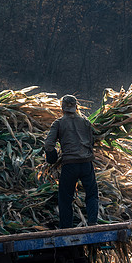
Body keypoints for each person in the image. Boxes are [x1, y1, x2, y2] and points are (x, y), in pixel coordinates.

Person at [44, 95, 98, 228]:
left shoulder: (58, 123)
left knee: (65, 198)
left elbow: (48, 144)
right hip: (86, 164)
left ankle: (66, 227)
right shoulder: (86, 122)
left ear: (62, 107)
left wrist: (52, 158)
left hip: (70, 165)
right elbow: (92, 141)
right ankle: (92, 222)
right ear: (76, 107)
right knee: (91, 194)